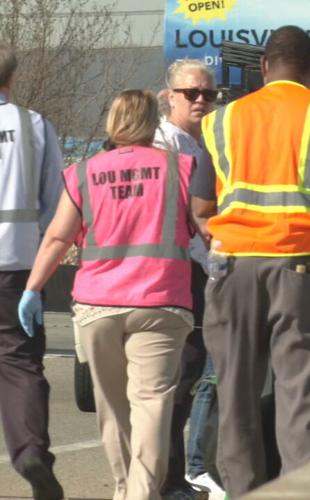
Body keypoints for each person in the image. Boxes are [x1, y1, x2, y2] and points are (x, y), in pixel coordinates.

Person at [189, 26, 310, 496]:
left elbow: (201, 207)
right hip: (297, 267)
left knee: (234, 394)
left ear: (263, 67)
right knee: (303, 396)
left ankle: (242, 491)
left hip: (232, 268)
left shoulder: (223, 119)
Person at [19, 89, 195, 499]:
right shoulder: (181, 167)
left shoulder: (84, 173)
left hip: (98, 304)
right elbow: (206, 223)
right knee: (151, 404)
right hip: (161, 300)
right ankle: (141, 493)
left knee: (112, 407)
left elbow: (58, 238)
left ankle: (122, 487)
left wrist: (33, 288)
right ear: (152, 122)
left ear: (113, 121)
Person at [152, 58, 225, 497]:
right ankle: (166, 478)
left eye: (208, 94)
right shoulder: (164, 145)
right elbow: (178, 217)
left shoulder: (206, 142)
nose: (201, 100)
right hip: (176, 273)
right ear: (169, 96)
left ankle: (177, 473)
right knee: (177, 377)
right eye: (191, 93)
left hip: (201, 269)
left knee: (192, 373)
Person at [0, 43, 65, 500]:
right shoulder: (35, 125)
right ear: (11, 76)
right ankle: (30, 453)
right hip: (19, 265)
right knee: (20, 364)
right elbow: (57, 203)